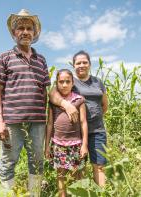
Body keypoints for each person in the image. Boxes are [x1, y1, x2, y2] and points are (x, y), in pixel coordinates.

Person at [0, 9, 51, 196]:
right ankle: (8, 194)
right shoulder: (4, 57)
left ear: (34, 33)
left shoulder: (41, 60)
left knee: (37, 161)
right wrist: (0, 122)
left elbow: (45, 92)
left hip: (37, 122)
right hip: (12, 121)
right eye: (21, 28)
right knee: (9, 160)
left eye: (29, 28)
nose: (25, 32)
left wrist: (48, 119)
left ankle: (34, 194)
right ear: (14, 33)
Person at [49, 50, 108, 187]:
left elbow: (104, 105)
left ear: (89, 64)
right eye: (78, 63)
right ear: (73, 65)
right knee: (77, 169)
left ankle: (100, 194)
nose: (81, 65)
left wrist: (95, 116)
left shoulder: (98, 82)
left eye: (84, 62)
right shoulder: (69, 81)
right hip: (76, 133)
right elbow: (52, 94)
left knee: (99, 165)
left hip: (97, 130)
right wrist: (66, 105)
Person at [45, 69, 88, 197]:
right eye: (61, 82)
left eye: (67, 82)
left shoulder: (79, 100)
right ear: (57, 83)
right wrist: (47, 145)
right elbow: (50, 124)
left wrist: (84, 145)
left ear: (72, 82)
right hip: (58, 145)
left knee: (76, 175)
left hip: (76, 144)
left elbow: (83, 122)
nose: (64, 85)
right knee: (60, 175)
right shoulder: (53, 101)